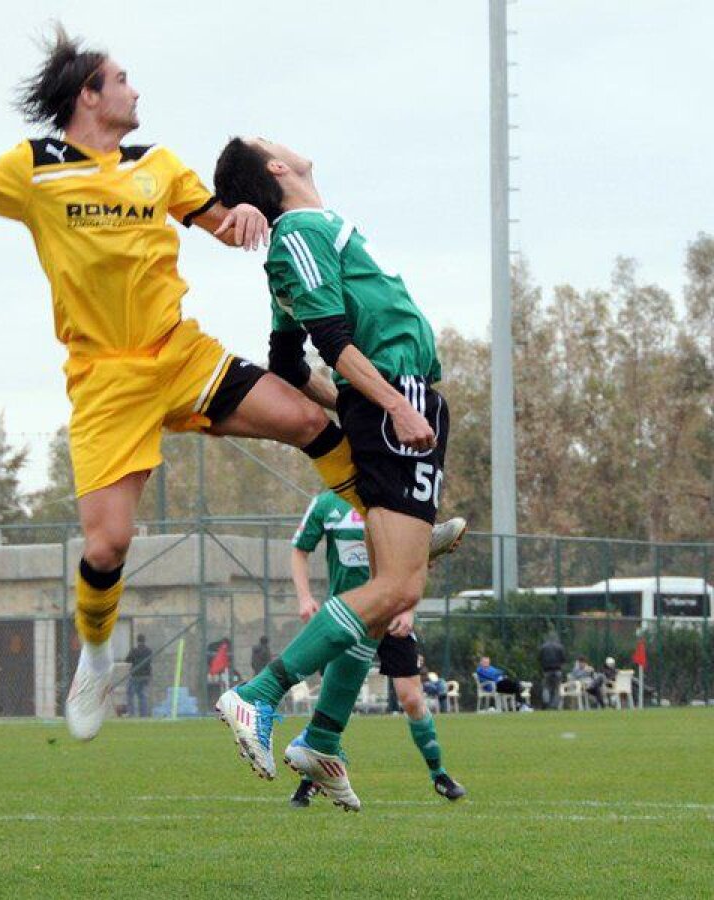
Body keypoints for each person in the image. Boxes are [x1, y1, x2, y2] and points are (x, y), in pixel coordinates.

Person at [0, 26, 372, 743]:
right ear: (90, 95)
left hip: (178, 353)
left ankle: (392, 533)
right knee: (108, 546)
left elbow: (224, 228)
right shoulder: (34, 168)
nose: (136, 90)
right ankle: (96, 654)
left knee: (308, 421)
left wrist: (247, 212)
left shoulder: (159, 164)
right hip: (105, 380)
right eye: (123, 79)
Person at [210, 136, 467, 793]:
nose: (286, 142)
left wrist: (356, 402)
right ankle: (258, 695)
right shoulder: (300, 230)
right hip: (399, 397)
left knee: (389, 594)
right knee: (396, 590)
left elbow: (290, 363)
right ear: (275, 167)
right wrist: (388, 404)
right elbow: (328, 342)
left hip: (391, 400)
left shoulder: (305, 237)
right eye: (272, 141)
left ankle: (322, 739)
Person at [285, 490, 466, 811]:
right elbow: (300, 550)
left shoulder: (391, 497)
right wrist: (304, 598)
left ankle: (439, 773)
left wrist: (408, 609)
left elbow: (417, 563)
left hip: (392, 613)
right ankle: (311, 780)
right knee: (333, 700)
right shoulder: (326, 503)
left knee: (411, 698)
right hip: (346, 616)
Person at [124, 634, 153, 718]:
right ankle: (143, 714)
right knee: (142, 695)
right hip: (146, 676)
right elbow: (150, 661)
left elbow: (127, 660)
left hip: (135, 675)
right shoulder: (149, 651)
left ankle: (131, 713)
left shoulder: (134, 650)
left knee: (130, 694)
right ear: (144, 640)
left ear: (137, 641)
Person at [539, 631, 567, 709]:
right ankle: (554, 706)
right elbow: (564, 659)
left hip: (546, 670)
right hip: (557, 670)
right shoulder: (560, 647)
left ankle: (546, 703)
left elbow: (539, 659)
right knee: (556, 688)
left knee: (546, 687)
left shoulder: (543, 647)